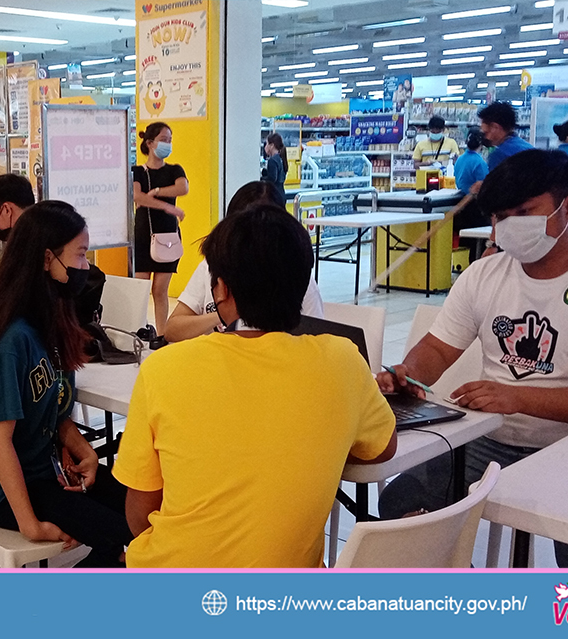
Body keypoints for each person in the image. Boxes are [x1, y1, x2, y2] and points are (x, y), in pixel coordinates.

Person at [377, 150, 568, 567]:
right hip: (489, 440)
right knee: (402, 503)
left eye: (524, 212)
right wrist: (405, 375)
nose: (509, 226)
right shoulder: (483, 275)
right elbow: (437, 349)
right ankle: (467, 594)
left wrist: (518, 398)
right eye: (501, 216)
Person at [115, 204, 397, 568]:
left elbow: (139, 517)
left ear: (222, 291)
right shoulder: (343, 360)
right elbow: (383, 449)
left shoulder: (163, 370)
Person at [0, 201, 131, 568]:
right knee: (125, 542)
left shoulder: (53, 320)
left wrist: (83, 450)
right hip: (5, 489)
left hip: (47, 471)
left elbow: (54, 408)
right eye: (81, 255)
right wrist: (30, 525)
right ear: (45, 259)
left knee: (144, 515)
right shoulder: (11, 338)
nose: (86, 267)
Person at [0, 173, 106, 329]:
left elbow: (24, 307)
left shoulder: (34, 243)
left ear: (6, 209)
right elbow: (18, 296)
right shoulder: (39, 232)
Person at [166, 181, 323, 344]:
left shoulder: (298, 280)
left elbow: (313, 344)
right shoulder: (210, 267)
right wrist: (226, 314)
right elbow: (173, 329)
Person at [132, 121, 188, 345]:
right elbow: (137, 196)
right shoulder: (137, 171)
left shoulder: (175, 170)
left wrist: (155, 192)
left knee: (160, 290)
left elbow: (182, 188)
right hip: (143, 234)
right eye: (164, 140)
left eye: (170, 140)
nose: (168, 144)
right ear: (149, 143)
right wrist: (167, 206)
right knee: (140, 288)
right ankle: (138, 330)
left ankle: (162, 334)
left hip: (169, 237)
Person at [479, 102, 534, 172]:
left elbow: (494, 182)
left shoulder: (499, 155)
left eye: (485, 133)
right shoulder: (528, 148)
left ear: (495, 127)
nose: (486, 138)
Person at [453, 128, 488, 195]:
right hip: (473, 201)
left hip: (460, 197)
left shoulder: (459, 159)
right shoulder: (480, 163)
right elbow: (484, 187)